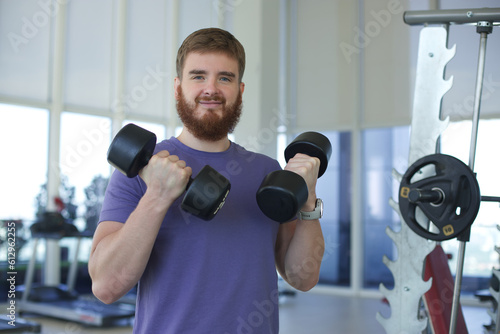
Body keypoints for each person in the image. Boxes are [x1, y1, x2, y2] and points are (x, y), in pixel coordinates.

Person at [89, 27, 325, 334]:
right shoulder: (140, 171)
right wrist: (157, 197)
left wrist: (307, 201)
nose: (210, 89)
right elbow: (106, 287)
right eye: (198, 76)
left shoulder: (267, 173)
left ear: (240, 90)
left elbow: (302, 278)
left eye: (224, 78)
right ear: (178, 87)